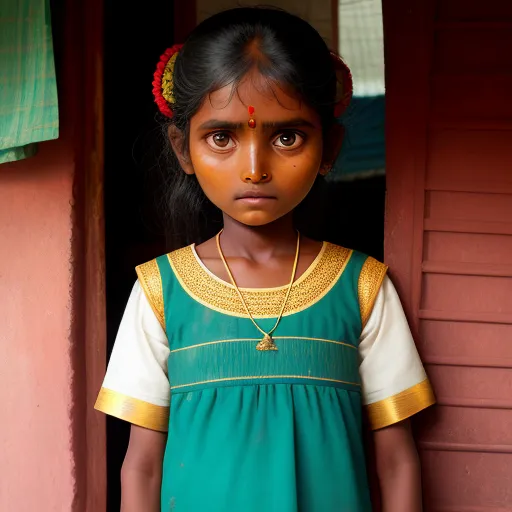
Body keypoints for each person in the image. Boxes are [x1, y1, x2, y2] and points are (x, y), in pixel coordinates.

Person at [95, 7, 435, 511]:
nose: (255, 169)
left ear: (330, 146)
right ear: (183, 149)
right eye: (222, 138)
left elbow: (397, 461)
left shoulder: (361, 287)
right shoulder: (159, 292)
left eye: (286, 137)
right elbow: (142, 465)